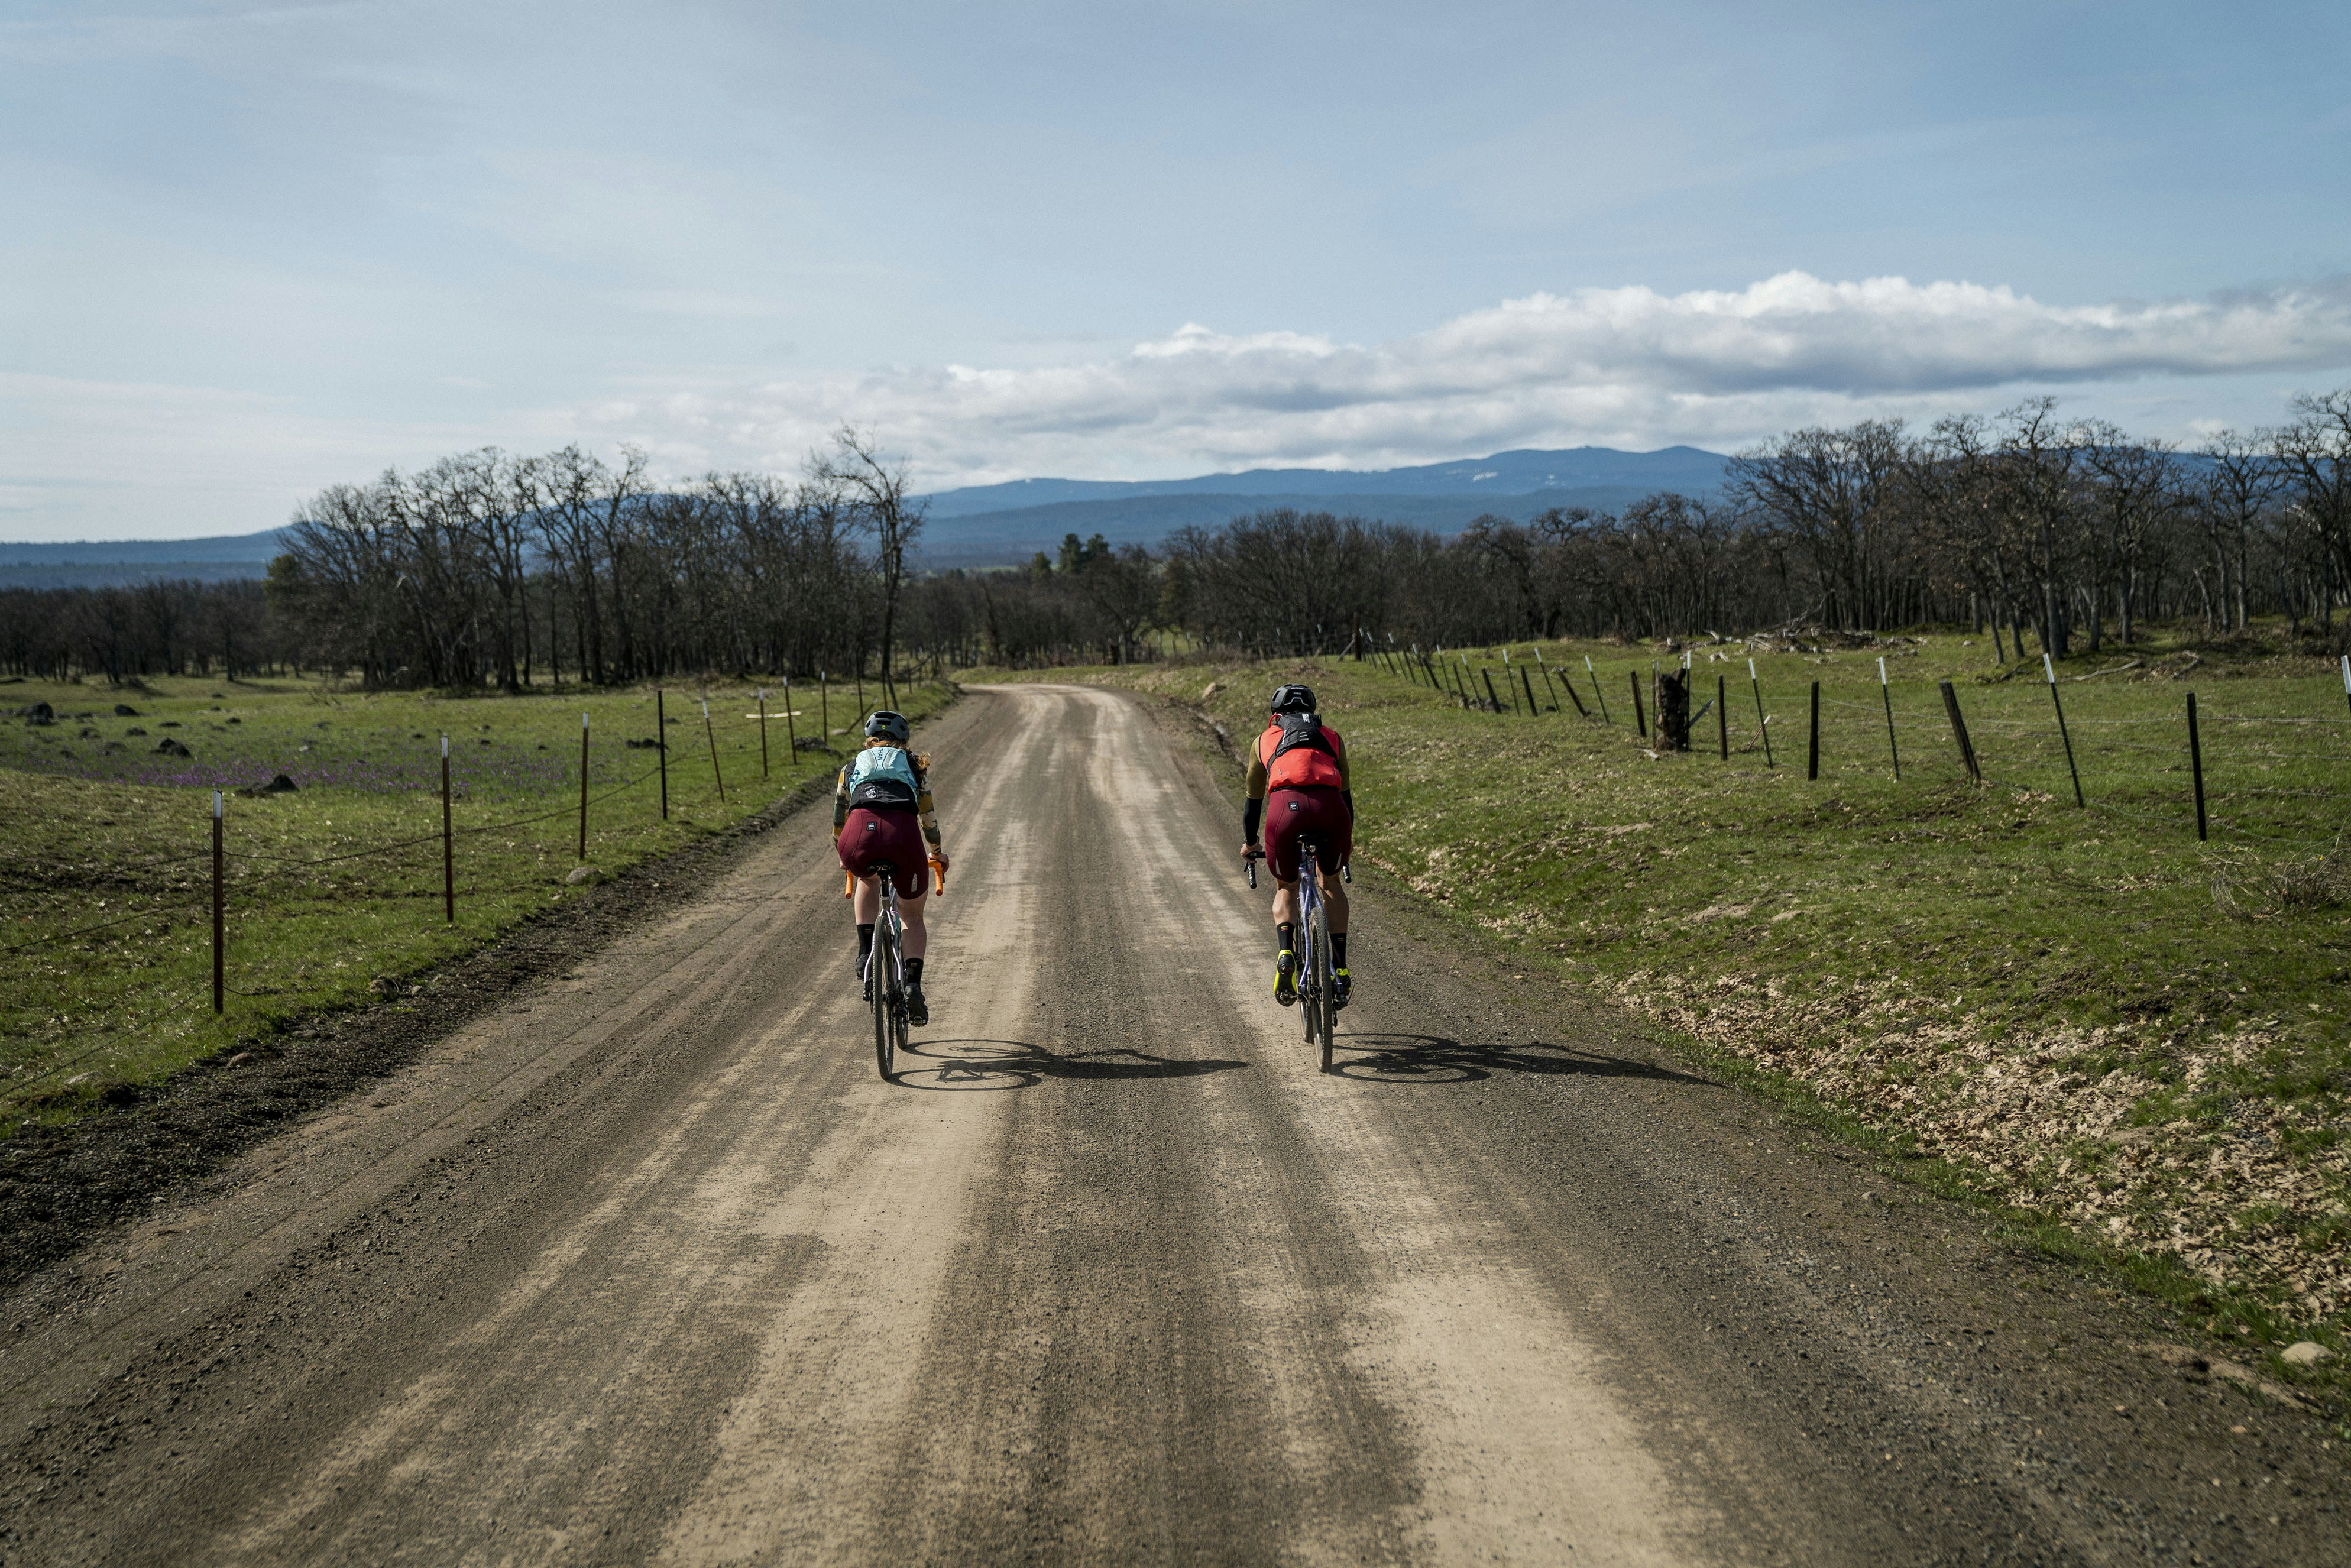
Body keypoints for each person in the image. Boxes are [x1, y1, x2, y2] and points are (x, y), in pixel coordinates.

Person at [1239, 683, 1352, 1008]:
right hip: (1332, 811)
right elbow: (1346, 797)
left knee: (1286, 886)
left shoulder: (1263, 741)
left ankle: (1287, 951)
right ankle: (1340, 969)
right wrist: (1347, 841)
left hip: (1284, 812)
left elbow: (1253, 802)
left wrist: (1250, 843)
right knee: (1330, 882)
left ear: (1275, 714)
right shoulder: (1332, 738)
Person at [834, 710, 949, 1026]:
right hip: (903, 837)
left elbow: (838, 819)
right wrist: (937, 852)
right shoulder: (913, 765)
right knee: (912, 915)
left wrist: (844, 854)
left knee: (868, 881)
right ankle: (912, 984)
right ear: (904, 740)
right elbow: (928, 817)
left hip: (859, 836)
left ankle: (864, 952)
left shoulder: (852, 767)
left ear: (869, 739)